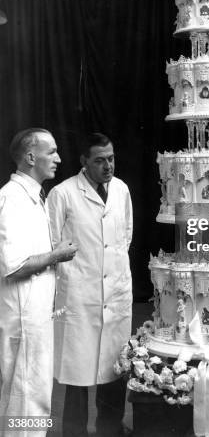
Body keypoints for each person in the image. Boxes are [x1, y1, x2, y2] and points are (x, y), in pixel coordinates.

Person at [48, 133, 133, 437]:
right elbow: (52, 245)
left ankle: (111, 429)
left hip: (116, 292)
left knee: (114, 368)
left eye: (110, 158)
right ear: (84, 162)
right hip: (79, 297)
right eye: (99, 160)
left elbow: (124, 238)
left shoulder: (121, 189)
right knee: (78, 373)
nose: (107, 165)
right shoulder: (63, 194)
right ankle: (74, 432)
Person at [0, 128, 77, 436]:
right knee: (25, 401)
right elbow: (13, 266)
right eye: (52, 152)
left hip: (35, 320)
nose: (58, 158)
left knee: (36, 400)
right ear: (31, 157)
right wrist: (56, 254)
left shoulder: (33, 197)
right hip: (23, 323)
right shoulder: (12, 199)